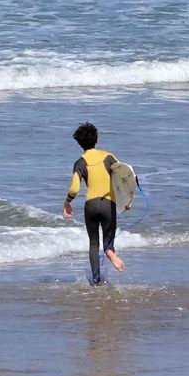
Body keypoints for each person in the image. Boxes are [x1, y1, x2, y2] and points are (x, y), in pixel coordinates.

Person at [61, 122, 130, 286]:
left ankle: (96, 279)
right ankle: (110, 254)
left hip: (90, 206)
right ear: (96, 139)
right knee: (108, 243)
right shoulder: (108, 157)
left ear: (79, 143)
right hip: (108, 204)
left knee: (93, 243)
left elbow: (74, 188)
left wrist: (67, 203)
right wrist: (127, 200)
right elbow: (124, 175)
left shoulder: (80, 163)